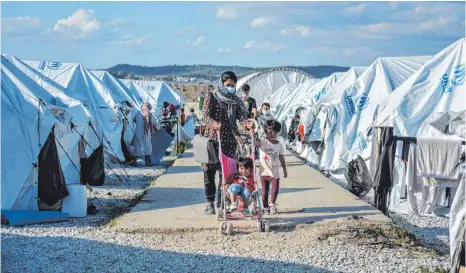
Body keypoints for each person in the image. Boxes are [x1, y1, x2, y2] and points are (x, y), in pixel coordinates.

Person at [202, 71, 253, 215]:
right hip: (213, 139)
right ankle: (209, 202)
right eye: (228, 85)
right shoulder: (212, 96)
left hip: (229, 140)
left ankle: (222, 202)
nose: (231, 87)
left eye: (233, 85)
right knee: (209, 173)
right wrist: (214, 124)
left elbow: (242, 117)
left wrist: (248, 124)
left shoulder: (236, 100)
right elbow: (205, 116)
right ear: (222, 84)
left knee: (226, 174)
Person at [255, 119, 287, 215]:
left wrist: (285, 170)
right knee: (264, 191)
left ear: (277, 132)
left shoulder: (279, 145)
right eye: (270, 131)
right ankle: (265, 207)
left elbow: (281, 156)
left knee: (275, 189)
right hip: (264, 172)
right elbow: (256, 142)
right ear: (266, 131)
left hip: (275, 172)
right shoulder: (263, 142)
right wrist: (254, 132)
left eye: (275, 132)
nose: (272, 134)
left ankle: (272, 204)